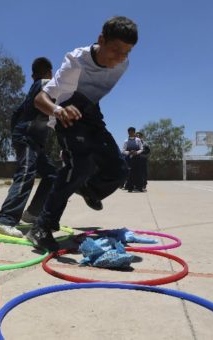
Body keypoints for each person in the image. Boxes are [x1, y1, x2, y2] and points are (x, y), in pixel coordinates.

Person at [26, 16, 138, 251]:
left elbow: (95, 93)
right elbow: (40, 99)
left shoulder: (123, 64)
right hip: (68, 113)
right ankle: (42, 226)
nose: (119, 58)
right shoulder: (76, 62)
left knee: (120, 170)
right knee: (79, 167)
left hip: (91, 112)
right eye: (115, 50)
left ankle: (87, 188)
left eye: (126, 53)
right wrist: (59, 110)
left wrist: (88, 111)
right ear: (101, 40)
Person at [0, 57, 57, 237]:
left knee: (52, 174)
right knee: (26, 173)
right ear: (49, 72)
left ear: (32, 75)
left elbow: (16, 114)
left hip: (32, 140)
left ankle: (33, 213)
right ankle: (4, 219)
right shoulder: (46, 83)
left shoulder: (32, 91)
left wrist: (16, 135)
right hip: (29, 139)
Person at [122, 127, 143, 192]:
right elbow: (123, 150)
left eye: (132, 132)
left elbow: (141, 149)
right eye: (129, 132)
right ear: (128, 132)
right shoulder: (126, 141)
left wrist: (136, 152)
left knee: (138, 173)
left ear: (134, 132)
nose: (130, 133)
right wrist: (129, 152)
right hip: (129, 159)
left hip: (137, 158)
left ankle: (139, 187)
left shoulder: (138, 140)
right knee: (130, 173)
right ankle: (130, 188)